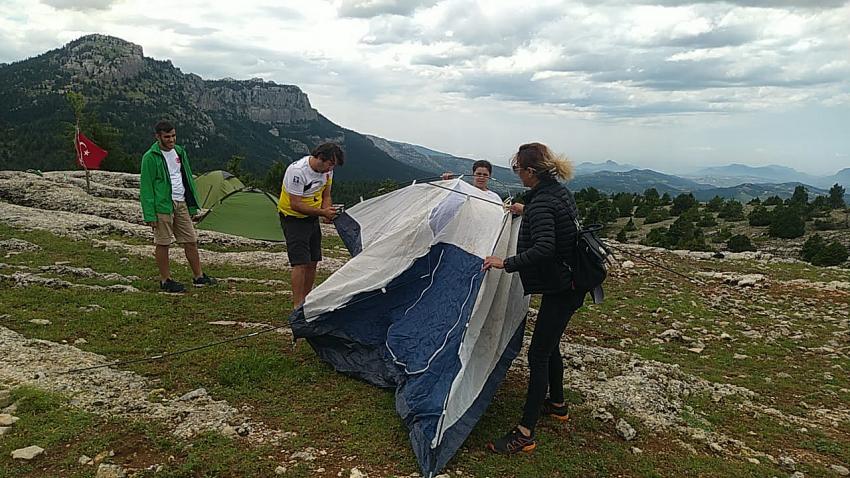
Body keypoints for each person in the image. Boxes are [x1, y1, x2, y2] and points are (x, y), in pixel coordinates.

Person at [482, 142, 584, 454]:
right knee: (550, 346)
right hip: (572, 281)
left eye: (518, 170)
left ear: (530, 171)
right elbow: (554, 222)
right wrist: (526, 210)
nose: (518, 175)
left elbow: (544, 248)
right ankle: (557, 404)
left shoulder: (542, 204)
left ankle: (525, 433)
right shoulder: (555, 192)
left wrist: (506, 263)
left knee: (538, 355)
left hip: (563, 288)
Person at [140, 120, 216, 293]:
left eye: (173, 136)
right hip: (162, 205)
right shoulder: (150, 157)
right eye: (167, 136)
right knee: (163, 243)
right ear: (157, 136)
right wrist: (149, 214)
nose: (171, 139)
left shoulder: (179, 152)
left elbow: (186, 177)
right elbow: (146, 187)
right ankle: (165, 280)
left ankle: (199, 276)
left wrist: (191, 204)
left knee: (191, 240)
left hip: (180, 202)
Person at [278, 143, 344, 309]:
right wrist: (322, 213)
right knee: (300, 262)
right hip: (294, 218)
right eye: (330, 163)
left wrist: (327, 210)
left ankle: (307, 299)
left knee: (313, 260)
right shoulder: (297, 171)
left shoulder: (327, 172)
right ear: (321, 158)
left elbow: (326, 194)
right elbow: (296, 204)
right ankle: (297, 305)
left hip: (312, 216)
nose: (331, 168)